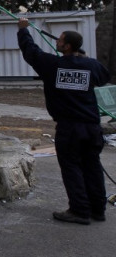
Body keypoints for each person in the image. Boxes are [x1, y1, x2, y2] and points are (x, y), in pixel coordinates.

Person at [17, 18, 110, 224]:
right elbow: (104, 76)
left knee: (72, 168)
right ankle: (97, 210)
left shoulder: (53, 65)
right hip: (92, 128)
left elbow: (31, 52)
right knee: (92, 167)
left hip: (70, 129)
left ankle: (79, 211)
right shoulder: (91, 65)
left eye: (60, 40)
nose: (57, 42)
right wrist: (83, 60)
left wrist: (23, 30)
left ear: (66, 46)